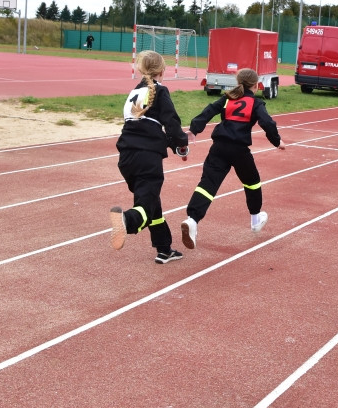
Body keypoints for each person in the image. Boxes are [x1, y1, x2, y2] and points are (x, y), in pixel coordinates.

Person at [179, 68, 285, 250]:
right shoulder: (256, 103)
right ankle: (255, 218)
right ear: (256, 85)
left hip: (219, 148)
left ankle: (192, 219)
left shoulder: (228, 98)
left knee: (208, 184)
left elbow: (209, 110)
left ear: (238, 82)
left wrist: (194, 130)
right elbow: (267, 122)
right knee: (252, 183)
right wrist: (277, 141)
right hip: (239, 150)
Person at [109, 50, 190, 264]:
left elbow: (145, 125)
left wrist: (173, 143)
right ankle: (127, 220)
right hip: (147, 159)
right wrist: (182, 144)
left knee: (152, 202)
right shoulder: (160, 91)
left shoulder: (132, 93)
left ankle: (164, 249)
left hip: (126, 157)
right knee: (145, 206)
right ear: (162, 71)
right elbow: (171, 122)